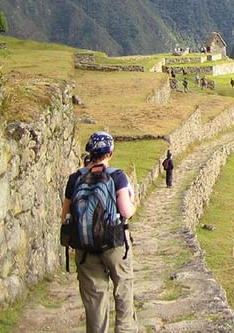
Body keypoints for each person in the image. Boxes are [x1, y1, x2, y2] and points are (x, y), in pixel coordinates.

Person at [61, 132, 137, 333]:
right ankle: (125, 329)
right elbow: (126, 211)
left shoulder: (75, 179)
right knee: (123, 288)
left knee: (94, 299)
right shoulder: (117, 176)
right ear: (110, 153)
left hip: (85, 248)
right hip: (114, 244)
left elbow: (66, 215)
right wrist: (133, 205)